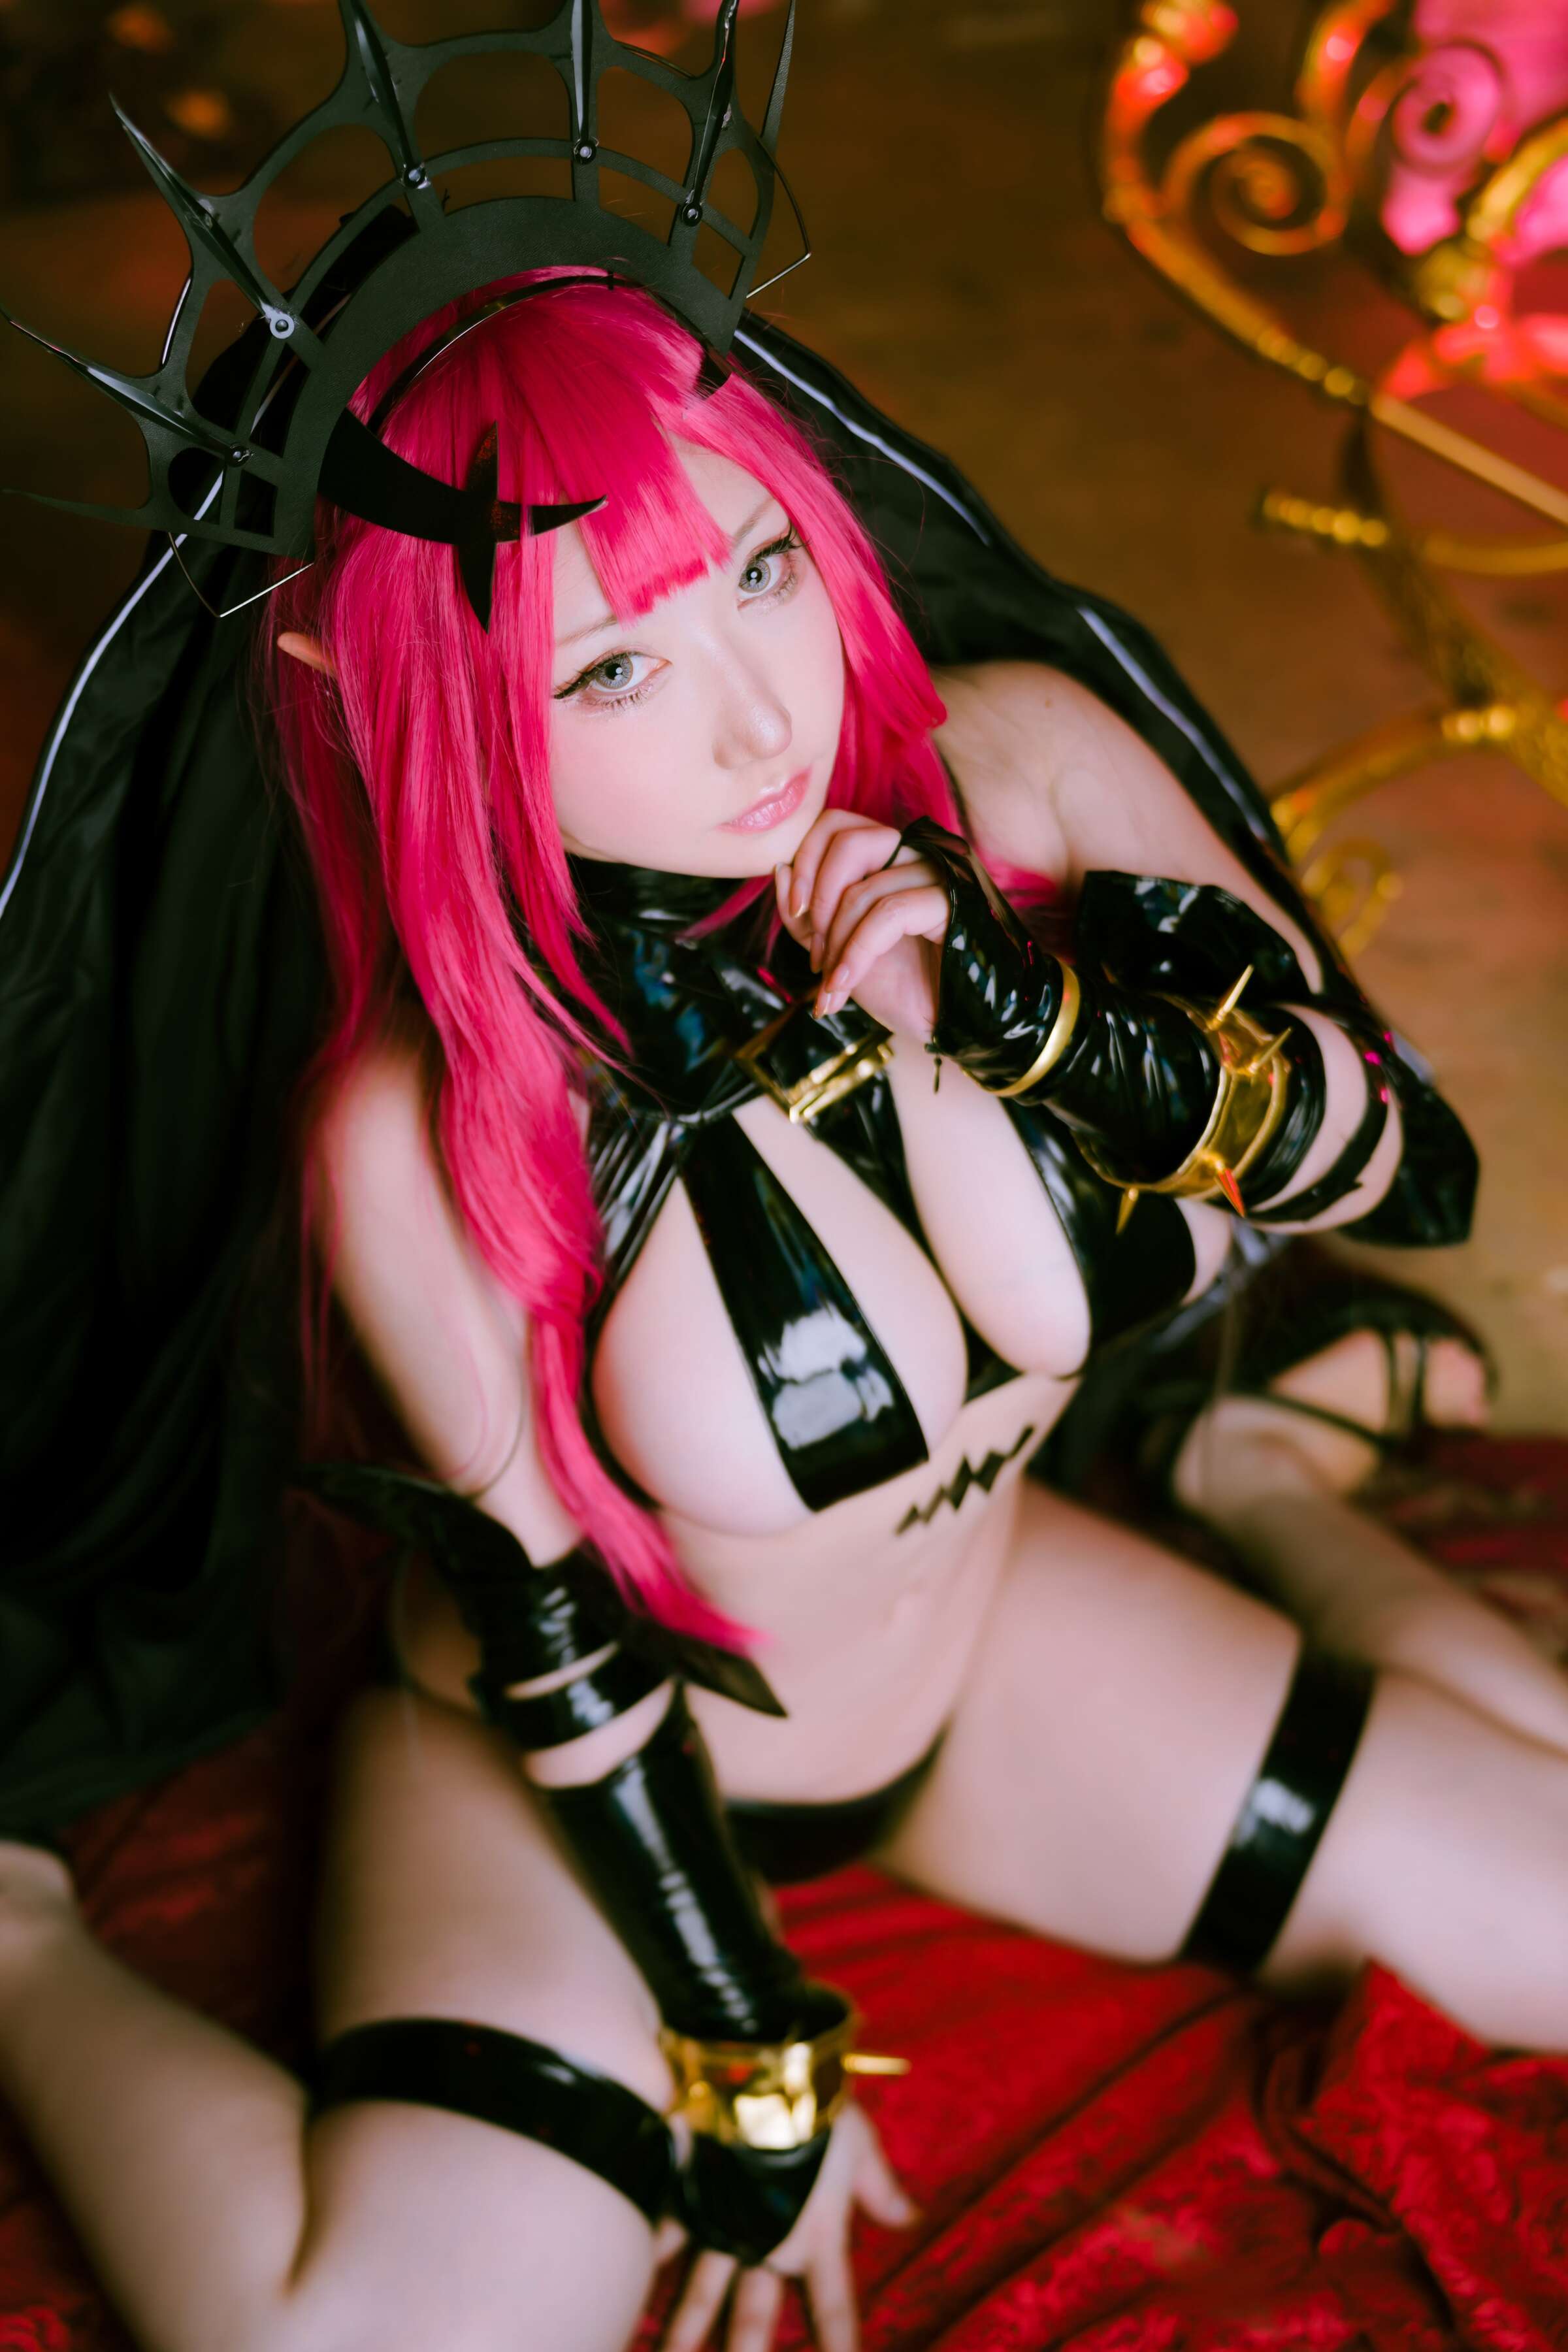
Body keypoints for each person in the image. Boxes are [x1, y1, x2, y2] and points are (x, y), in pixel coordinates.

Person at [1, 10, 1565, 2352]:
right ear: (411, 694)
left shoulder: (1020, 775)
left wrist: (1037, 1018)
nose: (758, 712)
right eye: (609, 674)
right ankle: (11, 1940)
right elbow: (559, 1651)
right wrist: (743, 2043)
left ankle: (1249, 1474)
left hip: (991, 1660)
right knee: (360, 2343)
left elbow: (1405, 1171)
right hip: (571, 1790)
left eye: (755, 566)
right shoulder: (421, 1126)